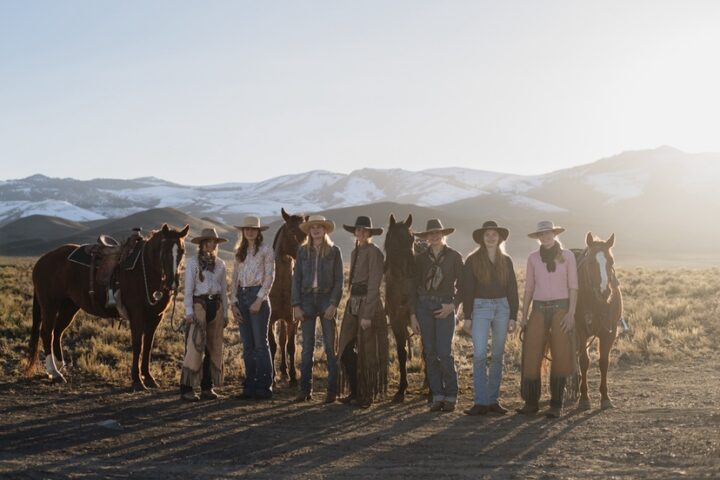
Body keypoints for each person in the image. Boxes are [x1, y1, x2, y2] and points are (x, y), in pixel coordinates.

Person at [517, 221, 578, 418]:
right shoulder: (533, 258)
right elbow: (529, 288)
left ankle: (556, 403)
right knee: (532, 352)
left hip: (561, 307)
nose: (545, 237)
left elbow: (573, 287)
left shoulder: (567, 256)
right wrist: (524, 315)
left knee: (561, 353)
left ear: (554, 233)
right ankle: (531, 402)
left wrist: (571, 314)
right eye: (541, 235)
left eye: (548, 233)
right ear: (538, 237)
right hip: (539, 307)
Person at [461, 221, 519, 415]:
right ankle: (480, 401)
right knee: (478, 355)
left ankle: (493, 399)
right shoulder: (472, 260)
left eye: (494, 234)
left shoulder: (507, 261)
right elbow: (467, 289)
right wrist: (467, 316)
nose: (491, 237)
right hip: (480, 307)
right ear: (482, 238)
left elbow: (512, 289)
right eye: (488, 234)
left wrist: (513, 316)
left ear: (499, 237)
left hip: (503, 307)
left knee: (497, 355)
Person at [408, 219, 463, 412]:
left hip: (444, 305)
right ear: (426, 237)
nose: (434, 236)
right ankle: (437, 395)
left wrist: (453, 306)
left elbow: (463, 285)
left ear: (443, 234)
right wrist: (413, 315)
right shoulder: (420, 259)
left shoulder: (454, 257)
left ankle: (451, 395)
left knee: (444, 352)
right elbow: (413, 288)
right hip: (423, 306)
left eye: (437, 232)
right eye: (430, 233)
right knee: (430, 353)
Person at [337, 216, 389, 408]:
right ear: (355, 232)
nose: (361, 233)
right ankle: (355, 390)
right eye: (358, 230)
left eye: (364, 230)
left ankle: (366, 395)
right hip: (353, 303)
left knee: (368, 350)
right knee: (345, 347)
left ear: (370, 233)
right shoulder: (354, 251)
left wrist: (367, 314)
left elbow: (375, 284)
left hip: (369, 304)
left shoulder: (375, 253)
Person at [291, 215, 344, 404]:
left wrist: (333, 304)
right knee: (307, 348)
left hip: (326, 299)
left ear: (325, 230)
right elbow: (296, 279)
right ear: (309, 231)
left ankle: (332, 390)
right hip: (306, 299)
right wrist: (296, 305)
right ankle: (305, 389)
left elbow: (339, 280)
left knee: (330, 347)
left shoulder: (334, 252)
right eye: (312, 227)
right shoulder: (302, 252)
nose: (315, 230)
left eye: (319, 227)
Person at [180, 228, 229, 402]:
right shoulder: (193, 263)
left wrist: (225, 311)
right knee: (195, 346)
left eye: (214, 241)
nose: (211, 244)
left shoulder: (221, 264)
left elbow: (223, 289)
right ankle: (187, 387)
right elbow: (188, 289)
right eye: (208, 241)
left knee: (213, 347)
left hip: (215, 306)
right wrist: (189, 311)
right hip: (199, 305)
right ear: (202, 243)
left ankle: (207, 387)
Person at [231, 216, 275, 400]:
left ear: (258, 232)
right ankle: (249, 385)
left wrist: (259, 299)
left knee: (260, 344)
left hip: (258, 296)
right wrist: (233, 302)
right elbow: (234, 278)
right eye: (246, 229)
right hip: (241, 296)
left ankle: (264, 386)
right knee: (247, 346)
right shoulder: (238, 252)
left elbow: (270, 277)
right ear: (243, 231)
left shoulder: (266, 250)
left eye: (253, 229)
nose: (250, 231)